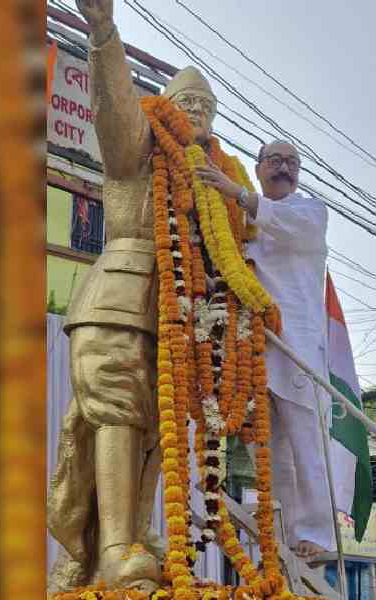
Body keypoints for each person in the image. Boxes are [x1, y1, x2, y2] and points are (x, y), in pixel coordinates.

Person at [47, 0, 222, 592]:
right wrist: (104, 33)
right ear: (167, 108)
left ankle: (134, 540)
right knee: (117, 416)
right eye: (187, 102)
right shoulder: (141, 148)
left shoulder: (209, 181)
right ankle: (116, 548)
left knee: (154, 431)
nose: (195, 112)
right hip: (120, 298)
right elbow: (114, 110)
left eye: (206, 106)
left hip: (176, 317)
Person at [196, 139, 333, 560]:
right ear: (258, 168)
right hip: (254, 349)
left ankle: (319, 534)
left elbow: (288, 226)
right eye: (275, 160)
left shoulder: (309, 212)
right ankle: (286, 536)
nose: (284, 167)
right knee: (269, 451)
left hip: (297, 347)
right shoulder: (242, 224)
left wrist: (233, 191)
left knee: (306, 442)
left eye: (292, 161)